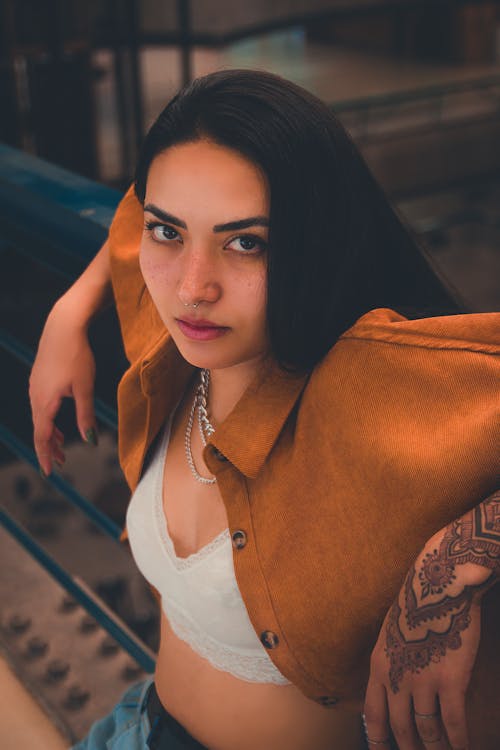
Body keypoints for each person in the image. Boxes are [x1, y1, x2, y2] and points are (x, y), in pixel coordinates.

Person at [29, 69, 499, 750]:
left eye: (247, 242)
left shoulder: (367, 386)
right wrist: (67, 314)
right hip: (136, 727)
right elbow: (145, 202)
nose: (193, 288)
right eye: (168, 234)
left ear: (315, 240)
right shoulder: (173, 342)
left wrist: (454, 563)